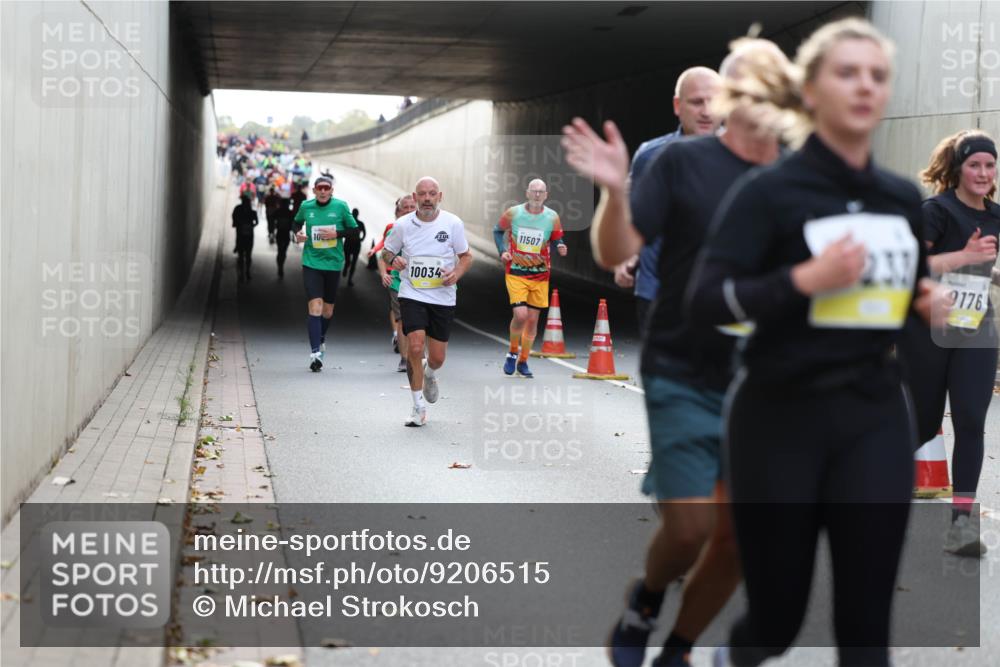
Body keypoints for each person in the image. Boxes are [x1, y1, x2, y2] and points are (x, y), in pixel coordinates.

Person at [684, 18, 945, 667]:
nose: (864, 86)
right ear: (812, 90)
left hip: (874, 414)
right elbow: (707, 300)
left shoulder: (901, 197)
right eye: (846, 73)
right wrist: (803, 279)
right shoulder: (769, 192)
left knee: (866, 630)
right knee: (777, 619)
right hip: (778, 415)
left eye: (877, 76)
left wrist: (922, 303)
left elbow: (900, 294)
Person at [562, 42, 785, 667]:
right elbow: (613, 251)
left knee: (736, 540)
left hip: (765, 379)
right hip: (684, 364)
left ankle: (678, 650)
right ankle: (648, 598)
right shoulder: (679, 161)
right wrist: (614, 191)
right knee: (689, 527)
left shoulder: (798, 172)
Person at [897, 129, 1000, 557]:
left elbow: (983, 269)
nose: (983, 172)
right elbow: (911, 267)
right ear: (957, 169)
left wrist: (989, 273)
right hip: (928, 329)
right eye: (974, 164)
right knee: (920, 424)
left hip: (975, 328)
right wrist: (963, 258)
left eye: (989, 164)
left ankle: (961, 526)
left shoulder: (996, 215)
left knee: (973, 420)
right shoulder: (935, 211)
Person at [618, 67, 723, 337]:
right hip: (658, 293)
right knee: (663, 378)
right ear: (678, 106)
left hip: (718, 294)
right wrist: (626, 256)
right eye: (697, 102)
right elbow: (634, 215)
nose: (706, 111)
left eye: (714, 101)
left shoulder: (745, 157)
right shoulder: (650, 156)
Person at [381, 177, 473, 426]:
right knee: (414, 345)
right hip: (413, 294)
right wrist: (394, 260)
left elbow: (466, 256)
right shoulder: (402, 225)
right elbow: (386, 251)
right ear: (415, 196)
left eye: (432, 194)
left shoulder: (452, 223)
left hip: (442, 296)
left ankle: (430, 372)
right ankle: (417, 407)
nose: (427, 198)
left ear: (439, 196)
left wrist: (456, 274)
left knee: (438, 358)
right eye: (422, 194)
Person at [492, 179, 567, 378]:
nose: (537, 195)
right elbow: (497, 231)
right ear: (527, 193)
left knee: (533, 321)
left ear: (546, 195)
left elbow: (557, 236)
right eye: (533, 191)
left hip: (541, 275)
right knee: (521, 316)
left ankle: (523, 361)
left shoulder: (552, 217)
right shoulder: (514, 213)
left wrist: (560, 245)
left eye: (540, 192)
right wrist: (502, 251)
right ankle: (512, 352)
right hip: (516, 273)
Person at [292, 172, 360, 372]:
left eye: (326, 188)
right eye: (319, 188)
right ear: (314, 191)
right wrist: (298, 233)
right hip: (311, 263)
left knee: (328, 310)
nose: (322, 191)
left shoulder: (340, 206)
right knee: (315, 306)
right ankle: (315, 353)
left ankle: (321, 338)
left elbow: (354, 232)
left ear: (331, 191)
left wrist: (337, 234)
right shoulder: (306, 207)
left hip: (333, 264)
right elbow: (295, 222)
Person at [371, 195, 419, 372]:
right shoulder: (395, 231)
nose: (408, 210)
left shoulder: (429, 229)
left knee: (422, 320)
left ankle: (420, 354)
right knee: (402, 320)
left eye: (411, 207)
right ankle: (405, 359)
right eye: (404, 208)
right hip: (399, 282)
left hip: (423, 283)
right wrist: (384, 274)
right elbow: (383, 254)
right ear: (398, 212)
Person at [232, 194, 259, 282]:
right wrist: (251, 226)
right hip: (248, 235)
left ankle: (244, 272)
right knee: (247, 254)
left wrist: (237, 224)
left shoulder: (238, 209)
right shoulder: (252, 212)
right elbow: (256, 222)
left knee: (243, 254)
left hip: (243, 234)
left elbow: (234, 217)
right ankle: (246, 272)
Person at [342, 207, 368, 286]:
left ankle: (348, 274)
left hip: (350, 244)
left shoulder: (349, 223)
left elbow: (343, 232)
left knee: (350, 262)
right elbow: (364, 233)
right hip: (354, 244)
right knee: (351, 262)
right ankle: (348, 275)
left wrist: (361, 238)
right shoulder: (359, 223)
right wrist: (361, 239)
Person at [274, 197, 294, 279]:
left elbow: (272, 219)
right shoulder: (289, 213)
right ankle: (280, 267)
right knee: (283, 251)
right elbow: (293, 224)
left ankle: (280, 267)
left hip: (281, 233)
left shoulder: (279, 212)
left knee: (281, 251)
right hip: (285, 234)